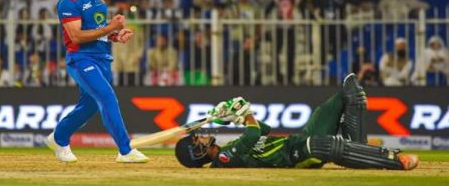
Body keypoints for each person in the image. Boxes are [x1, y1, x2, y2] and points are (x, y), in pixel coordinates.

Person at [175, 73, 419, 170]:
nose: (202, 136)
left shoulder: (229, 148)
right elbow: (251, 136)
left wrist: (235, 117)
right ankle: (391, 161)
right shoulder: (223, 160)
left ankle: (359, 151)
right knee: (323, 144)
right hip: (294, 156)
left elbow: (262, 131)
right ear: (197, 153)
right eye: (197, 140)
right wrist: (245, 112)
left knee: (348, 91)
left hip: (297, 141)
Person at [45, 0, 148, 163]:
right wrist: (111, 27)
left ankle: (59, 137)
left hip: (102, 58)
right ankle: (125, 150)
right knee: (107, 97)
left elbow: (96, 28)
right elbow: (76, 36)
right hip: (81, 59)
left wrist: (115, 35)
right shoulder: (68, 2)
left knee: (89, 106)